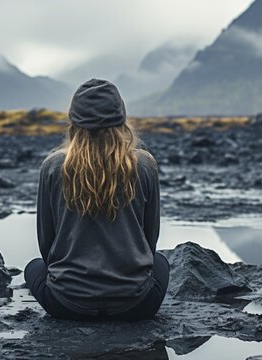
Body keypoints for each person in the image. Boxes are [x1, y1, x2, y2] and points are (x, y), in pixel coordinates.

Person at [24, 78, 169, 321]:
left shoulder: (53, 167)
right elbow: (149, 239)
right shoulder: (144, 165)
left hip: (66, 305)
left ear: (73, 124)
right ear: (122, 121)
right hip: (136, 305)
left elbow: (46, 245)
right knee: (160, 260)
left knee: (33, 267)